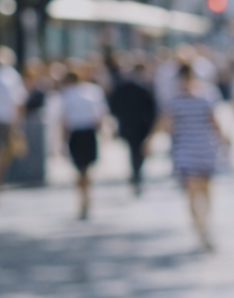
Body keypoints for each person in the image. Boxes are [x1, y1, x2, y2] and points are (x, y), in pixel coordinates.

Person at [158, 64, 225, 252]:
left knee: (202, 191)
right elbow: (213, 123)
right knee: (196, 191)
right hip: (193, 149)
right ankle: (202, 230)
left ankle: (203, 227)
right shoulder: (194, 100)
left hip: (194, 149)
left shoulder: (180, 101)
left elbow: (167, 126)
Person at [59, 68, 108, 220]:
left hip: (77, 132)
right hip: (88, 132)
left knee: (80, 168)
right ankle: (86, 198)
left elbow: (63, 119)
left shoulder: (68, 94)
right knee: (85, 168)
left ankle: (84, 199)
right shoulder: (93, 91)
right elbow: (100, 115)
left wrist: (62, 140)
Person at [109, 60, 159, 195]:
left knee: (133, 150)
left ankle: (136, 173)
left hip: (127, 124)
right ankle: (137, 173)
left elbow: (114, 107)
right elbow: (152, 109)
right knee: (138, 150)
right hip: (141, 124)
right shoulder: (143, 88)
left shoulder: (123, 88)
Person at [0, 47, 23, 201]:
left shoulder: (11, 75)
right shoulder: (11, 76)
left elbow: (17, 101)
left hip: (5, 119)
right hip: (6, 119)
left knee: (5, 151)